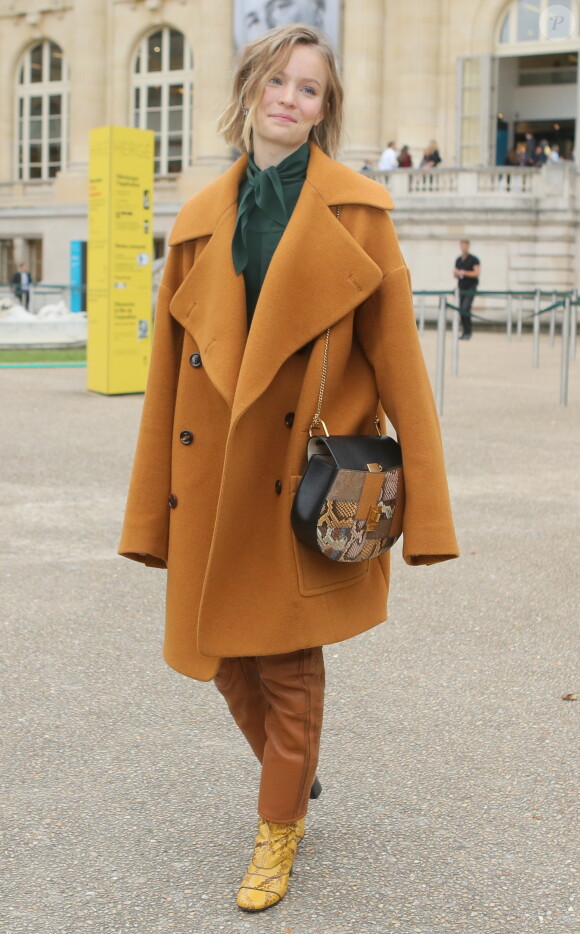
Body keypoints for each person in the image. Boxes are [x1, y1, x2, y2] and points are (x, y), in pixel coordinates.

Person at [119, 23, 459, 913]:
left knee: (286, 663)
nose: (290, 98)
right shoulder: (197, 222)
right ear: (249, 92)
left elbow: (401, 370)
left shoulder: (359, 215)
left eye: (310, 89)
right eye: (278, 81)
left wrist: (429, 519)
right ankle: (291, 772)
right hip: (212, 481)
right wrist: (146, 518)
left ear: (325, 111)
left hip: (304, 480)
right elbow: (164, 383)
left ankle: (278, 828)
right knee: (219, 655)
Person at [454, 239, 480, 340]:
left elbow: (476, 273)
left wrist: (464, 272)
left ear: (468, 246)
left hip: (470, 287)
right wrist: (456, 273)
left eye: (465, 246)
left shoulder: (474, 259)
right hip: (461, 288)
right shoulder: (458, 260)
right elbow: (456, 275)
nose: (463, 248)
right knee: (461, 309)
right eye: (462, 246)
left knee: (465, 308)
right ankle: (464, 332)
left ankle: (468, 332)